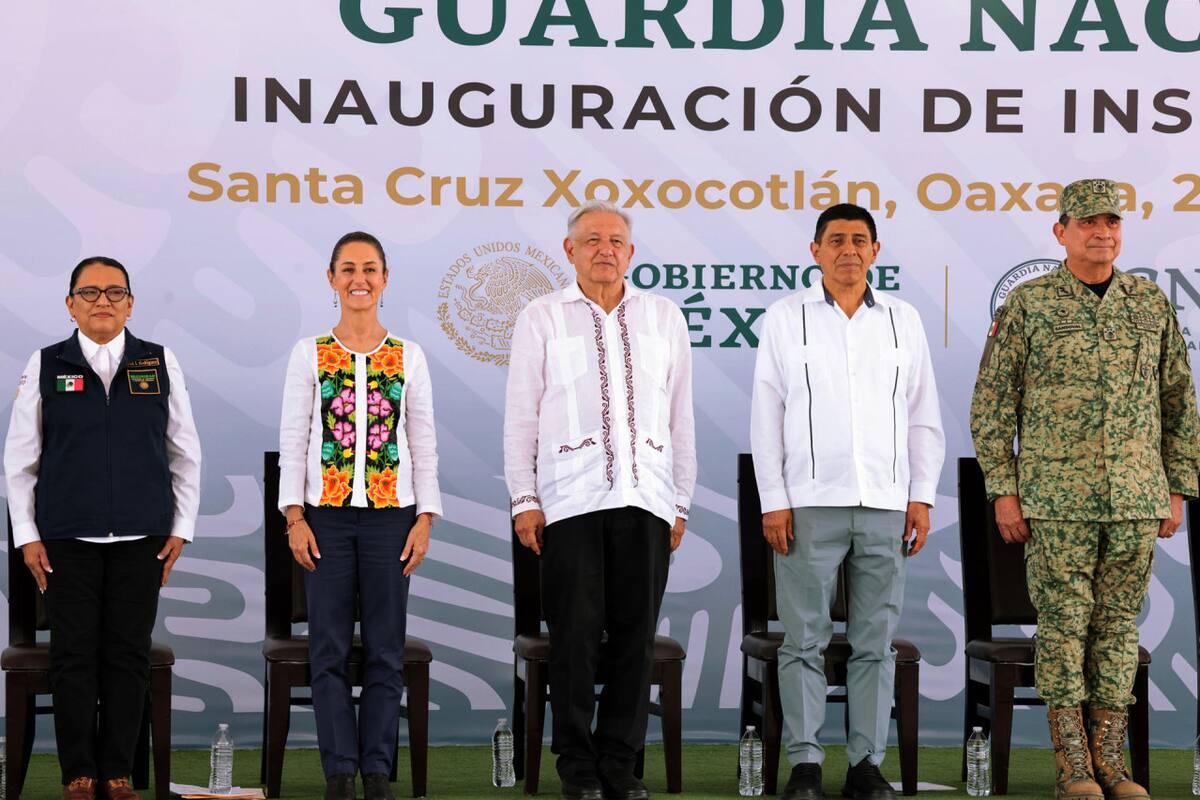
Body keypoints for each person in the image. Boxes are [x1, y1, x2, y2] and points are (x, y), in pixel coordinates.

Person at [970, 178, 1200, 800]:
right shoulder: (1030, 303)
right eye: (1088, 222)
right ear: (1061, 232)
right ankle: (1072, 766)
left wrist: (1176, 487)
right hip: (1055, 501)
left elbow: (1179, 401)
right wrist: (1004, 489)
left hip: (1134, 499)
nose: (1103, 232)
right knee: (1065, 625)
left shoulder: (1148, 303)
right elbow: (992, 404)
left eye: (1112, 222)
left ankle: (1112, 763)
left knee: (1119, 629)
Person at [750, 204, 945, 800]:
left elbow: (922, 417)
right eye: (836, 240)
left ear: (876, 250)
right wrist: (773, 501)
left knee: (874, 642)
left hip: (886, 503)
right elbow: (767, 417)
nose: (848, 251)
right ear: (816, 251)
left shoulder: (903, 321)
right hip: (808, 503)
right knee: (803, 640)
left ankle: (865, 764)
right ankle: (805, 763)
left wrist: (922, 496)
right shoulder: (786, 319)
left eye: (859, 240)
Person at [504, 200, 696, 800]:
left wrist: (680, 501)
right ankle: (578, 769)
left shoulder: (663, 317)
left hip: (648, 498)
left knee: (634, 639)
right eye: (591, 240)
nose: (604, 249)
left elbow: (680, 415)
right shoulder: (541, 317)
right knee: (577, 638)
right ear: (569, 251)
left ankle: (621, 764)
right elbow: (520, 418)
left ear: (631, 252)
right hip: (569, 501)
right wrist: (524, 498)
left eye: (615, 240)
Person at [3, 256, 202, 800]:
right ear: (70, 304)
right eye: (89, 292)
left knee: (126, 653)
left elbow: (185, 452)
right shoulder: (46, 363)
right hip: (66, 539)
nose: (103, 301)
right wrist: (27, 536)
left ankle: (117, 771)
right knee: (73, 656)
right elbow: (20, 460)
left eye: (115, 292)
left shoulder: (159, 362)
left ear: (131, 303)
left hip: (143, 538)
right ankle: (78, 774)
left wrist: (180, 528)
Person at [277, 231, 441, 800]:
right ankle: (339, 773)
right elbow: (294, 439)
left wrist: (426, 518)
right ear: (331, 279)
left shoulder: (407, 356)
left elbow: (423, 443)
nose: (359, 280)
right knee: (326, 649)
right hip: (323, 520)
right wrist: (294, 517)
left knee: (385, 650)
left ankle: (376, 770)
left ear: (385, 278)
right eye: (348, 269)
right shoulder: (311, 353)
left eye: (370, 269)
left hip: (393, 520)